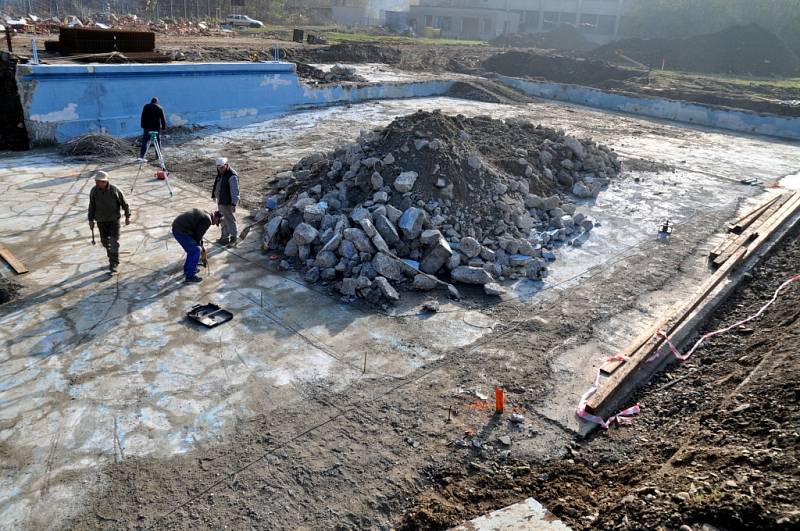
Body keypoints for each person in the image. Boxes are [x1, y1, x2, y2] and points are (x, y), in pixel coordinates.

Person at [87, 171, 131, 274]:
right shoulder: (94, 191)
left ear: (105, 181)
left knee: (113, 242)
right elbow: (91, 207)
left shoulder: (114, 190)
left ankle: (113, 263)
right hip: (101, 221)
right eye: (96, 181)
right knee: (105, 242)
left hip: (113, 221)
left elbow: (125, 204)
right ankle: (112, 256)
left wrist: (127, 216)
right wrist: (90, 220)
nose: (96, 183)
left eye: (99, 181)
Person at [172, 209, 222, 283]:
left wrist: (200, 244)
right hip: (181, 230)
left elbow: (198, 232)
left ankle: (189, 269)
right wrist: (201, 248)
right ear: (216, 217)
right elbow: (197, 236)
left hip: (180, 227)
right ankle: (190, 276)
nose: (215, 224)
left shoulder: (206, 214)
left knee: (194, 249)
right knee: (195, 250)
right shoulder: (207, 221)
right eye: (218, 222)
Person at [211, 157, 241, 245]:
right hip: (221, 201)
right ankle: (224, 238)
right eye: (218, 168)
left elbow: (235, 191)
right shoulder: (221, 173)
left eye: (222, 168)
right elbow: (217, 184)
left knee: (230, 219)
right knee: (223, 220)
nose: (220, 170)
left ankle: (234, 238)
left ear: (226, 165)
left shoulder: (232, 176)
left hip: (228, 203)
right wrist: (214, 195)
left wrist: (234, 204)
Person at [138, 97, 167, 161]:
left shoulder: (146, 106)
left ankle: (142, 156)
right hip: (156, 128)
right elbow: (163, 119)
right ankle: (158, 156)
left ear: (151, 101)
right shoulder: (160, 107)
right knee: (158, 141)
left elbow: (143, 117)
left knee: (145, 141)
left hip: (147, 128)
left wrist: (142, 125)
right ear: (157, 102)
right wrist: (164, 127)